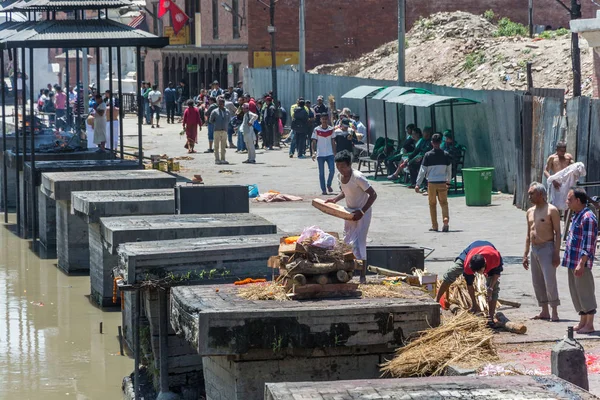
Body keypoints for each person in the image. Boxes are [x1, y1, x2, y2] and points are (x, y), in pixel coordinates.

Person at [325, 150, 377, 283]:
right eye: (338, 166)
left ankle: (363, 275)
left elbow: (373, 195)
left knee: (360, 242)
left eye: (343, 166)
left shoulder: (358, 177)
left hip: (363, 213)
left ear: (349, 165)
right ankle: (348, 272)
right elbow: (345, 191)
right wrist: (335, 199)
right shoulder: (339, 176)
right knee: (347, 240)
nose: (341, 169)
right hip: (349, 212)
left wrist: (362, 211)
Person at [436, 241, 504, 323]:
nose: (478, 274)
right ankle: (436, 301)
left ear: (484, 265)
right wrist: (474, 304)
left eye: (479, 271)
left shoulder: (495, 258)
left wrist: (491, 288)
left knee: (495, 287)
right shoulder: (468, 264)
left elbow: (496, 274)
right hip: (471, 250)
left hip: (488, 250)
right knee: (451, 273)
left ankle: (491, 317)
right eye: (475, 272)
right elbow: (469, 284)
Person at [523, 182, 561, 322]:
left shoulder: (552, 210)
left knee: (549, 280)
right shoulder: (529, 211)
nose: (529, 196)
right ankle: (544, 310)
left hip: (547, 248)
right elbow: (528, 233)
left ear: (540, 194)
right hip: (534, 249)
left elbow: (558, 233)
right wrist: (525, 254)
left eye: (531, 193)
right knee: (537, 281)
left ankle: (554, 310)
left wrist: (556, 253)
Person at [563, 188, 598, 334]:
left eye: (570, 199)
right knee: (576, 292)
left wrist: (581, 263)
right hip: (572, 261)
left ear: (578, 201)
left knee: (585, 292)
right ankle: (582, 321)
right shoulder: (577, 215)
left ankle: (589, 324)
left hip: (580, 262)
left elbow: (588, 243)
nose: (567, 202)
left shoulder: (588, 217)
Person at [415, 133, 452, 232]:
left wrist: (418, 184)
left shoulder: (427, 155)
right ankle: (446, 220)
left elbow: (422, 171)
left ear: (432, 143)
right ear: (441, 142)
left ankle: (435, 226)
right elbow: (449, 170)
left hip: (431, 183)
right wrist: (448, 181)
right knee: (444, 203)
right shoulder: (446, 155)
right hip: (442, 182)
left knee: (432, 204)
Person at [312, 113, 337, 195]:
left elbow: (333, 142)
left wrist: (334, 152)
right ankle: (323, 189)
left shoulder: (331, 129)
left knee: (332, 171)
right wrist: (313, 152)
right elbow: (314, 141)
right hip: (320, 154)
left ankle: (328, 184)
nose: (324, 121)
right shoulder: (316, 130)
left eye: (326, 119)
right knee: (321, 173)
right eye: (323, 119)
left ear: (328, 119)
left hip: (330, 153)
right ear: (320, 120)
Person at [209, 97, 231, 164]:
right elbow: (211, 120)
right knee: (216, 146)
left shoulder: (227, 111)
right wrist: (217, 123)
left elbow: (229, 120)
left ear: (224, 104)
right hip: (217, 130)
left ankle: (223, 159)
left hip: (224, 130)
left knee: (223, 146)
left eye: (221, 104)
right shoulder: (214, 111)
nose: (220, 105)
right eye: (219, 104)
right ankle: (217, 159)